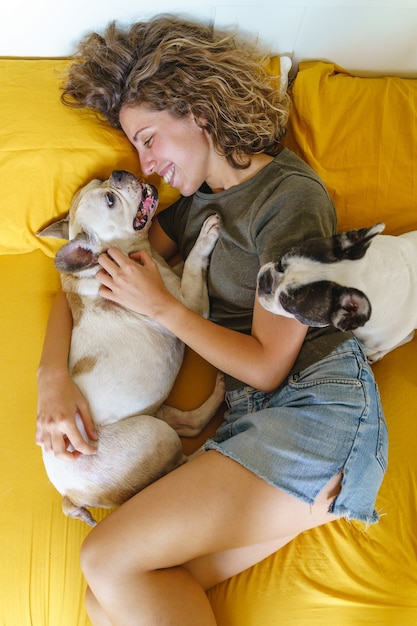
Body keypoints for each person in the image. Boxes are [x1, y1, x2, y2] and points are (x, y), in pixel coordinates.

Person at [36, 15, 388, 626]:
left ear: (197, 109)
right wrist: (52, 380)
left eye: (149, 138)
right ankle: (319, 495)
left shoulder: (288, 199)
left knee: (107, 559)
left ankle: (331, 477)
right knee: (107, 597)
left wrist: (162, 307)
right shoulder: (196, 208)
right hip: (254, 420)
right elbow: (82, 285)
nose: (144, 165)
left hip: (314, 407)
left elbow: (270, 363)